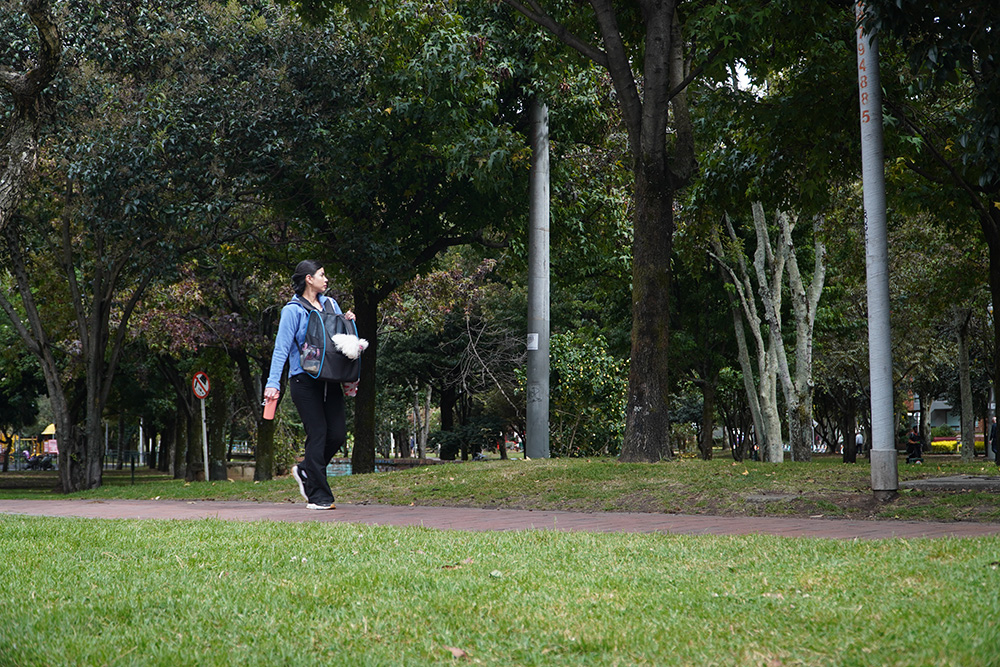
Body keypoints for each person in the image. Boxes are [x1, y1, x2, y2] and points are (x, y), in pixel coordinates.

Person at [265, 260, 355, 510]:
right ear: (308, 278)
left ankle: (306, 469)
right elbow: (281, 349)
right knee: (318, 433)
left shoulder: (331, 304)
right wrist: (273, 383)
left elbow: (340, 339)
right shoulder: (292, 310)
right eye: (322, 275)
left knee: (337, 434)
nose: (326, 280)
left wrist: (349, 321)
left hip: (330, 378)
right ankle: (319, 496)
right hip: (303, 380)